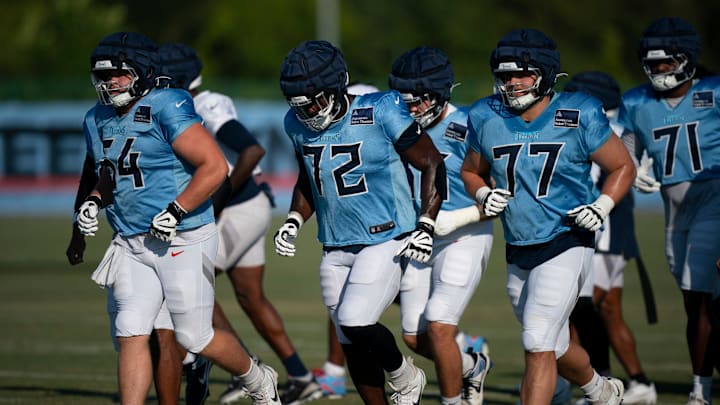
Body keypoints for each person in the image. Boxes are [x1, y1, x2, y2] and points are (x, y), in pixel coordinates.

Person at [75, 31, 280, 405]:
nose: (109, 83)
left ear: (141, 71)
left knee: (194, 337)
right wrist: (91, 201)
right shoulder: (97, 117)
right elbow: (109, 173)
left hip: (182, 236)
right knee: (130, 330)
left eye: (118, 73)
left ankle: (256, 377)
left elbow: (214, 166)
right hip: (130, 240)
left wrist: (176, 209)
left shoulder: (167, 105)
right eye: (103, 76)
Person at [460, 28, 636, 405]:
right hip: (519, 243)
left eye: (521, 73)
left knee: (537, 340)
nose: (512, 82)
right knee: (553, 344)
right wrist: (482, 192)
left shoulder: (578, 111)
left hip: (567, 236)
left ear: (545, 73)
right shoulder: (485, 114)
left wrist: (601, 206)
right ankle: (599, 388)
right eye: (506, 75)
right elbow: (470, 170)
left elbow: (622, 166)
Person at [275, 39, 446, 404]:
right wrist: (294, 218)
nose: (307, 111)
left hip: (386, 237)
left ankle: (405, 374)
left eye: (315, 101)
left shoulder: (381, 109)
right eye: (299, 104)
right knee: (349, 340)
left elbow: (431, 162)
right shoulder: (296, 123)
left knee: (355, 320)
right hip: (335, 243)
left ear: (339, 85)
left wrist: (426, 224)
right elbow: (310, 176)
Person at [158, 42, 323, 405]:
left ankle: (242, 368)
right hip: (247, 205)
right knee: (250, 296)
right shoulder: (182, 104)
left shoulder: (203, 105)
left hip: (238, 207)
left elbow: (252, 150)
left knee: (187, 282)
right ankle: (300, 375)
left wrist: (216, 203)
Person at [619, 16, 720, 405]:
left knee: (699, 296)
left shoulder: (713, 91)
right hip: (674, 212)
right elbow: (625, 154)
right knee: (694, 299)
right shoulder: (636, 102)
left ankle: (699, 392)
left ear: (687, 59)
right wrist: (632, 169)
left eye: (667, 62)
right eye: (653, 62)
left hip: (713, 199)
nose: (659, 69)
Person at [388, 45, 492, 405]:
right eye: (405, 101)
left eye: (418, 101)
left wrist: (454, 219)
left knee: (439, 326)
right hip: (420, 237)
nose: (410, 109)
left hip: (464, 233)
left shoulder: (470, 127)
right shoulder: (396, 126)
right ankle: (472, 366)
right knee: (416, 338)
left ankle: (452, 401)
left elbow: (499, 199)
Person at [564, 71, 658, 405]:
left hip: (602, 233)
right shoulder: (618, 130)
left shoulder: (604, 130)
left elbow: (627, 166)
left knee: (580, 308)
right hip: (611, 233)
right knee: (608, 311)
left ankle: (599, 385)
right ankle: (639, 382)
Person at [310, 81, 381, 400]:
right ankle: (336, 372)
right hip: (348, 238)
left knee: (419, 320)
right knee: (342, 309)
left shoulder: (383, 139)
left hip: (389, 238)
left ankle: (460, 347)